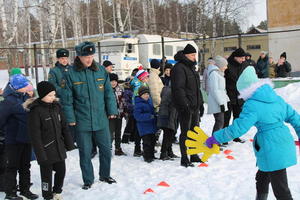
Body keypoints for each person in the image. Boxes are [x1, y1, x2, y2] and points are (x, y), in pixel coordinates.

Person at [205, 66, 299, 200]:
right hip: (283, 142)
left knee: (281, 189)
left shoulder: (252, 105)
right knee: (262, 177)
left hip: (271, 147)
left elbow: (238, 129)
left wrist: (216, 138)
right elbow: (295, 118)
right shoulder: (276, 98)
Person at [61, 41, 118, 190]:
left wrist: (112, 110)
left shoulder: (100, 71)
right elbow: (67, 99)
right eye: (86, 56)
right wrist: (71, 118)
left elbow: (108, 93)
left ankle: (105, 175)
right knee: (85, 152)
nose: (89, 59)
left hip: (101, 119)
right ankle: (88, 179)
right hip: (82, 120)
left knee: (106, 149)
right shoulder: (71, 73)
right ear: (79, 56)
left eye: (91, 56)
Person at [26, 81, 75, 200]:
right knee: (46, 176)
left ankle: (57, 192)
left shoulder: (56, 107)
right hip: (45, 150)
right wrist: (40, 154)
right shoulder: (36, 111)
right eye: (50, 95)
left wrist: (69, 144)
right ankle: (47, 196)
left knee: (61, 171)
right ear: (42, 95)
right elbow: (35, 136)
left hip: (58, 147)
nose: (53, 97)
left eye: (54, 95)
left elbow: (64, 127)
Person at [0, 74, 38, 200]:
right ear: (17, 88)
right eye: (24, 86)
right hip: (13, 140)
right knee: (12, 166)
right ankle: (10, 192)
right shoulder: (8, 101)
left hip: (26, 138)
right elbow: (1, 120)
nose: (27, 88)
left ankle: (25, 189)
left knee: (25, 166)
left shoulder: (24, 96)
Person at [171, 44, 204, 167]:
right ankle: (184, 158)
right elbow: (178, 89)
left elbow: (196, 89)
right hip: (185, 107)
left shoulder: (191, 68)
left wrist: (200, 104)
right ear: (185, 55)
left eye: (195, 55)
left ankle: (193, 154)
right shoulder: (179, 68)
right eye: (192, 55)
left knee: (194, 131)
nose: (194, 57)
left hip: (194, 105)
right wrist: (185, 105)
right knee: (185, 132)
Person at [224, 47, 247, 143]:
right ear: (236, 57)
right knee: (226, 117)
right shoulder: (227, 65)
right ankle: (224, 137)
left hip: (239, 96)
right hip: (229, 95)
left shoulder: (243, 65)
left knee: (237, 118)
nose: (243, 60)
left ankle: (235, 136)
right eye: (241, 58)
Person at [207, 56, 230, 135]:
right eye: (225, 65)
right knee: (219, 122)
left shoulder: (219, 73)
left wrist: (227, 99)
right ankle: (213, 142)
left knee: (220, 122)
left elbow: (222, 90)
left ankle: (216, 140)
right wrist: (221, 103)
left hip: (220, 102)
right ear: (220, 65)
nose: (226, 67)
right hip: (216, 102)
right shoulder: (214, 74)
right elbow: (215, 90)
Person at [133, 86, 157, 163]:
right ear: (140, 95)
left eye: (147, 94)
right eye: (144, 94)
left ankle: (152, 155)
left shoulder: (149, 101)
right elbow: (137, 116)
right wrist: (149, 116)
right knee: (147, 142)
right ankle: (147, 156)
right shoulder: (138, 104)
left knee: (153, 141)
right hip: (143, 127)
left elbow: (152, 111)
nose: (146, 96)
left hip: (151, 125)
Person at [157, 77, 179, 160]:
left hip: (167, 115)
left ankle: (169, 152)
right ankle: (163, 153)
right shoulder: (172, 91)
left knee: (170, 134)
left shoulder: (166, 89)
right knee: (168, 134)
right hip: (168, 115)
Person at [130, 67, 150, 157]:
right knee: (138, 130)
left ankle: (139, 149)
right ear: (142, 77)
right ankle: (137, 149)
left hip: (141, 108)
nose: (148, 78)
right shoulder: (139, 86)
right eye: (146, 77)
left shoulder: (143, 84)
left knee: (139, 130)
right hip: (139, 109)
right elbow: (137, 99)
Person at [109, 73, 126, 156]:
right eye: (111, 81)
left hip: (119, 114)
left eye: (115, 81)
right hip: (110, 115)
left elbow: (123, 101)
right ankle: (108, 149)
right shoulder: (106, 90)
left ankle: (118, 148)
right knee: (110, 133)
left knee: (118, 132)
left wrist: (124, 111)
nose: (113, 83)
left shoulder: (120, 89)